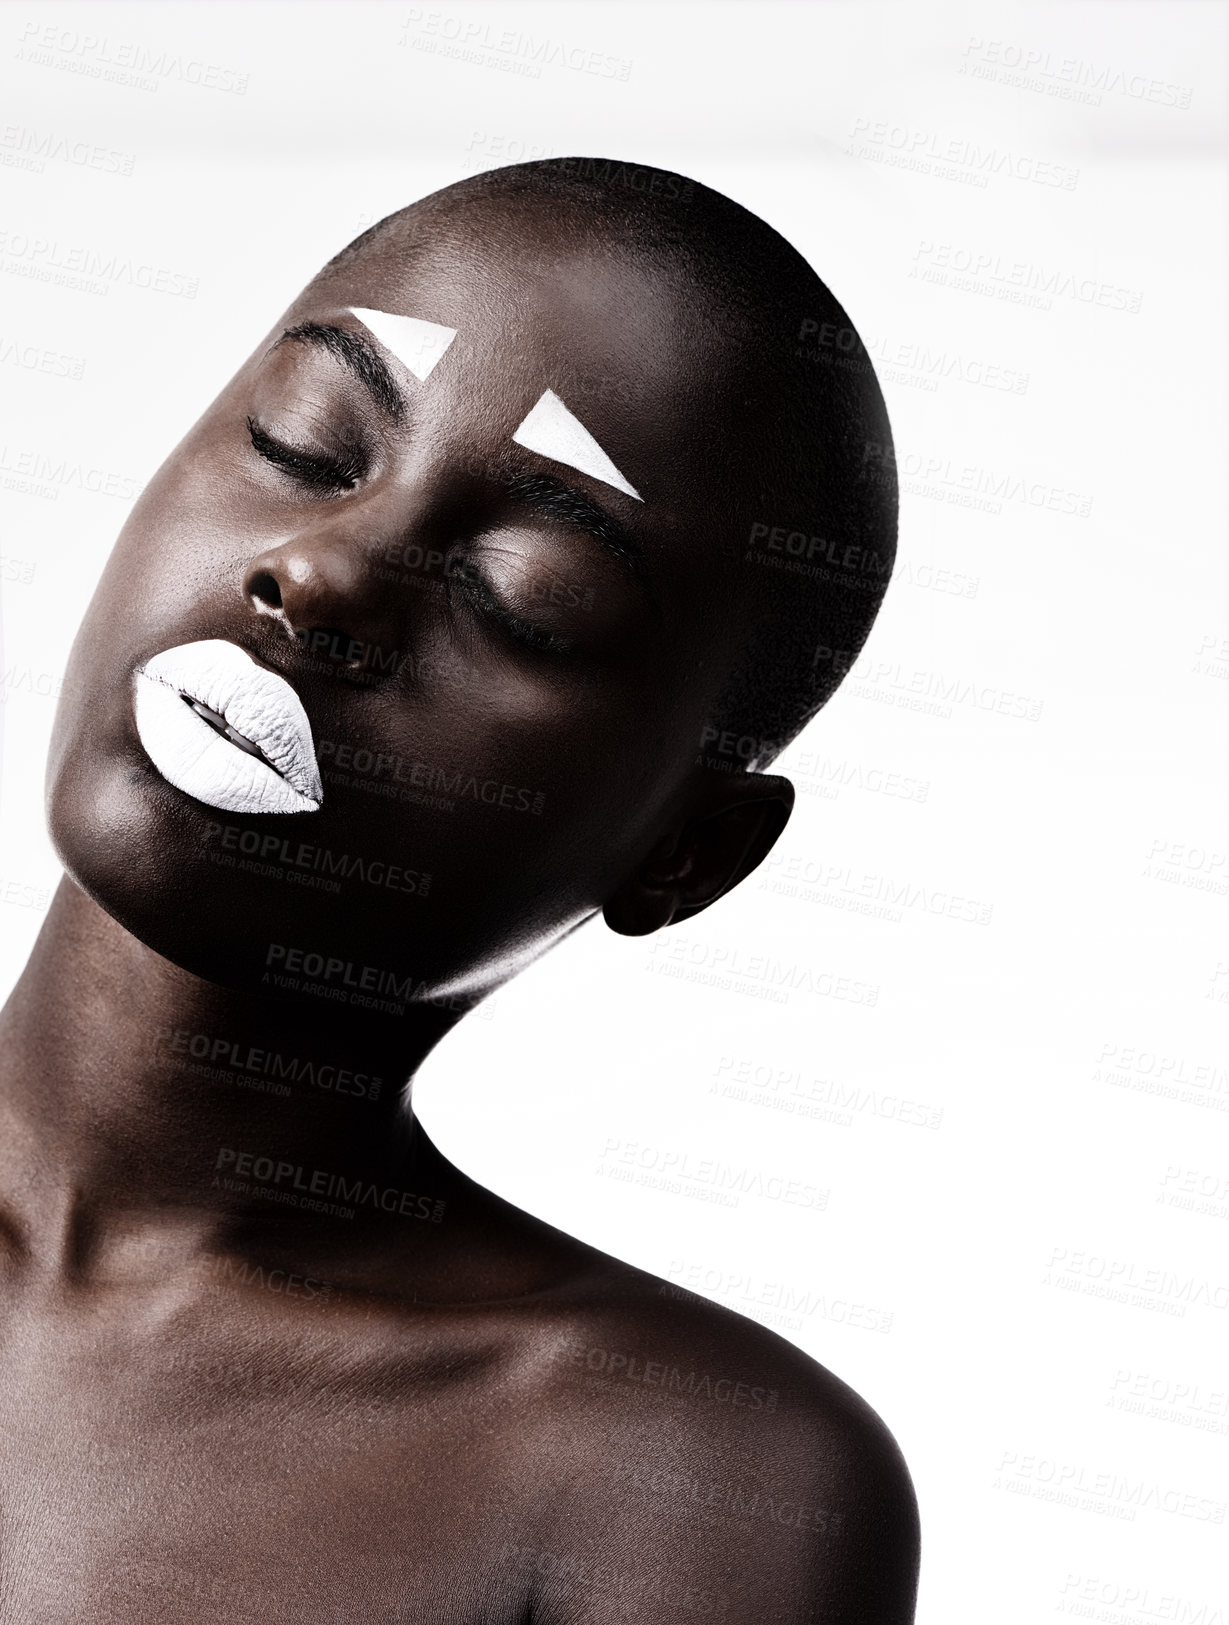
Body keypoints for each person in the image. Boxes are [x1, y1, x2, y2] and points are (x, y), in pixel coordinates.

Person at [0, 157, 917, 1621]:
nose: (324, 573)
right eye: (304, 443)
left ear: (687, 852)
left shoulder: (674, 1475)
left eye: (522, 597)